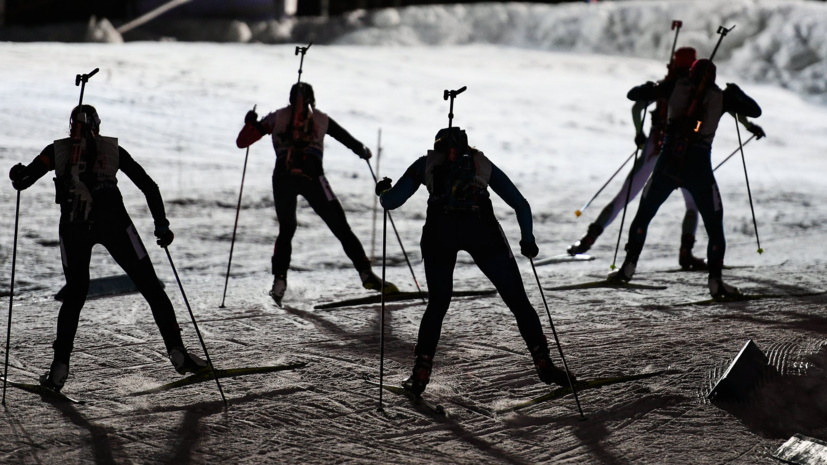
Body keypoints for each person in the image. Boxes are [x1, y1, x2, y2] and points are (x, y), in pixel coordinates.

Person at [8, 104, 207, 392]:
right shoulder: (112, 150)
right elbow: (149, 186)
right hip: (115, 220)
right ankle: (177, 351)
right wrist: (161, 225)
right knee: (151, 287)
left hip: (74, 224)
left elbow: (24, 180)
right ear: (98, 126)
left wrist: (18, 173)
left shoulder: (56, 150)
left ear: (70, 127)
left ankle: (59, 368)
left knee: (75, 294)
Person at [376, 127, 573, 396]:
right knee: (517, 300)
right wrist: (528, 241)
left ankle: (421, 372)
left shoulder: (426, 164)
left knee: (437, 304)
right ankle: (543, 361)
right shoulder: (482, 164)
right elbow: (521, 205)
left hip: (439, 232)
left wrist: (383, 190)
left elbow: (392, 201)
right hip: (482, 230)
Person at [607, 59, 765, 297]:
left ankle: (628, 267)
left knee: (644, 215)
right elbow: (755, 111)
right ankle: (715, 281)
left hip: (667, 165)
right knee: (714, 226)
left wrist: (661, 83)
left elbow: (634, 95)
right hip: (699, 167)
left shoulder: (674, 87)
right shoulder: (722, 97)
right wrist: (736, 92)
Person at [236, 82, 397, 306]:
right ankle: (366, 274)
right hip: (314, 177)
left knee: (287, 228)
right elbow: (348, 140)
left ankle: (279, 281)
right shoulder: (321, 119)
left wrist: (250, 123)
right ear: (313, 99)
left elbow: (243, 142)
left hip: (282, 177)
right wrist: (363, 151)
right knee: (341, 227)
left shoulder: (277, 117)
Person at [568, 47, 713, 269]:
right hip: (687, 155)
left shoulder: (666, 85)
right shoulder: (699, 90)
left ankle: (589, 239)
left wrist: (639, 134)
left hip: (655, 149)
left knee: (624, 197)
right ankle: (686, 253)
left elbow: (637, 107)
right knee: (692, 204)